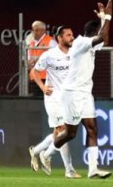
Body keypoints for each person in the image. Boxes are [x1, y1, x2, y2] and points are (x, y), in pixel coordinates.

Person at [40, 0, 113, 179]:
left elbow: (105, 38)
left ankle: (93, 169)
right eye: (98, 32)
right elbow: (102, 37)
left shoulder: (92, 44)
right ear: (92, 33)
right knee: (70, 133)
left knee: (92, 129)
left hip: (86, 93)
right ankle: (46, 154)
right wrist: (108, 17)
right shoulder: (80, 43)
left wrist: (104, 19)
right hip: (71, 93)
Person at [28, 26, 81, 179]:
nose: (72, 37)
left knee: (60, 134)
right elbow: (34, 71)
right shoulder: (49, 55)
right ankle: (69, 170)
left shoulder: (74, 53)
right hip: (54, 98)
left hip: (69, 98)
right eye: (68, 35)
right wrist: (43, 87)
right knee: (63, 130)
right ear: (60, 38)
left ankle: (36, 151)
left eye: (72, 34)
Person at [27, 20, 57, 97]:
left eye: (36, 30)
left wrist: (38, 59)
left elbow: (56, 58)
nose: (34, 32)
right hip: (34, 78)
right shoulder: (31, 43)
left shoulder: (51, 42)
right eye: (33, 30)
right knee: (36, 102)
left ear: (43, 31)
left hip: (46, 78)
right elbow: (29, 60)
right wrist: (29, 63)